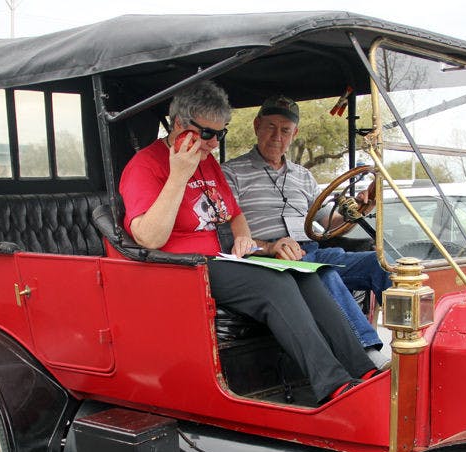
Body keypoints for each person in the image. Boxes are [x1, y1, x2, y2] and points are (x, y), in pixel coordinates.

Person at [118, 81, 375, 404]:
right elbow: (148, 237)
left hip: (220, 260)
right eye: (207, 134)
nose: (213, 144)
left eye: (220, 134)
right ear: (180, 125)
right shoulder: (146, 165)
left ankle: (364, 371)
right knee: (276, 284)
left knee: (305, 274)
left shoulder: (206, 160)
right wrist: (178, 175)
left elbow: (234, 213)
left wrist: (242, 237)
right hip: (179, 270)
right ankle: (333, 384)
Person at [221, 95, 392, 368]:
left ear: (294, 134)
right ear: (256, 126)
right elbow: (229, 237)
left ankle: (412, 345)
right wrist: (270, 246)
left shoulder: (303, 175)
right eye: (270, 127)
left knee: (382, 263)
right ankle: (368, 355)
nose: (277, 136)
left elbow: (327, 222)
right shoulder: (230, 173)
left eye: (285, 130)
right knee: (321, 271)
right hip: (268, 261)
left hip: (310, 251)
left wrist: (358, 207)